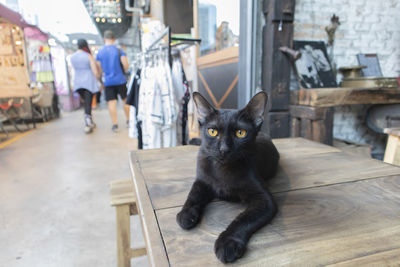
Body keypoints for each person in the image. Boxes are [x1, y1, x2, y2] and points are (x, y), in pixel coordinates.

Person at [96, 30, 130, 132]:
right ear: (114, 39)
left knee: (111, 102)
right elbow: (126, 64)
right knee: (125, 100)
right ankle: (129, 120)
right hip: (120, 80)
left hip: (108, 81)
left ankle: (115, 124)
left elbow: (98, 68)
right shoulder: (119, 50)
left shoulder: (100, 52)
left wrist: (101, 79)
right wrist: (122, 71)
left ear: (104, 39)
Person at [70, 39, 100, 133]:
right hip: (88, 82)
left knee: (86, 103)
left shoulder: (72, 57)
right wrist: (98, 79)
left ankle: (90, 121)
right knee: (88, 103)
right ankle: (88, 123)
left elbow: (72, 70)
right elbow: (94, 70)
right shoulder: (88, 56)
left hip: (78, 83)